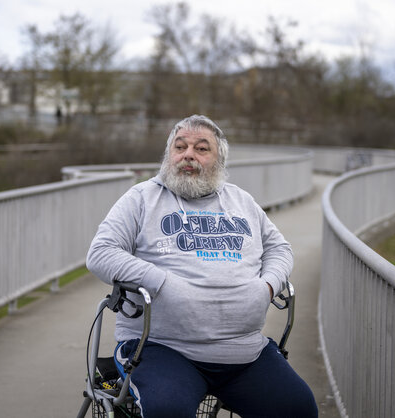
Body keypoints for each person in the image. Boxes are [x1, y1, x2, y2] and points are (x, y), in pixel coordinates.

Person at [86, 115, 318, 417]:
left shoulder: (242, 201)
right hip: (163, 349)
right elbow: (101, 252)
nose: (188, 155)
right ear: (169, 155)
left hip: (244, 351)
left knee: (298, 408)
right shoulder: (142, 198)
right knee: (168, 411)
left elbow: (279, 248)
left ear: (219, 159)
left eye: (201, 148)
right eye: (179, 147)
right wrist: (161, 282)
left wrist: (268, 284)